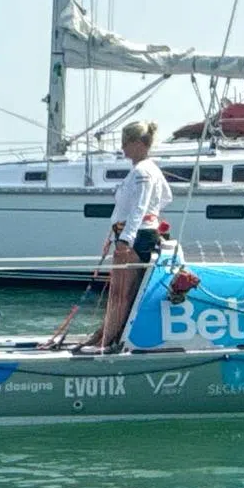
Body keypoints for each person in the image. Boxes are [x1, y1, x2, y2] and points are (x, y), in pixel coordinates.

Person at [84, 120, 172, 352]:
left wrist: (125, 238)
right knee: (126, 292)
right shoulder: (151, 168)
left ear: (139, 144)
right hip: (140, 233)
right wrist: (148, 220)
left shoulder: (142, 171)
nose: (122, 148)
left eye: (126, 143)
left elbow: (139, 207)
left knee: (120, 293)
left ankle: (107, 341)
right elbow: (166, 197)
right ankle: (109, 335)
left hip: (135, 237)